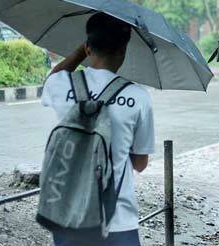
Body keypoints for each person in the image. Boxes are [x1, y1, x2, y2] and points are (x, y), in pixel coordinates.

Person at [41, 13, 155, 246]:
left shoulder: (61, 85)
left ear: (88, 47)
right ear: (123, 51)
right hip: (118, 219)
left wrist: (80, 51)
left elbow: (53, 77)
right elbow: (141, 164)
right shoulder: (137, 96)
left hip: (68, 215)